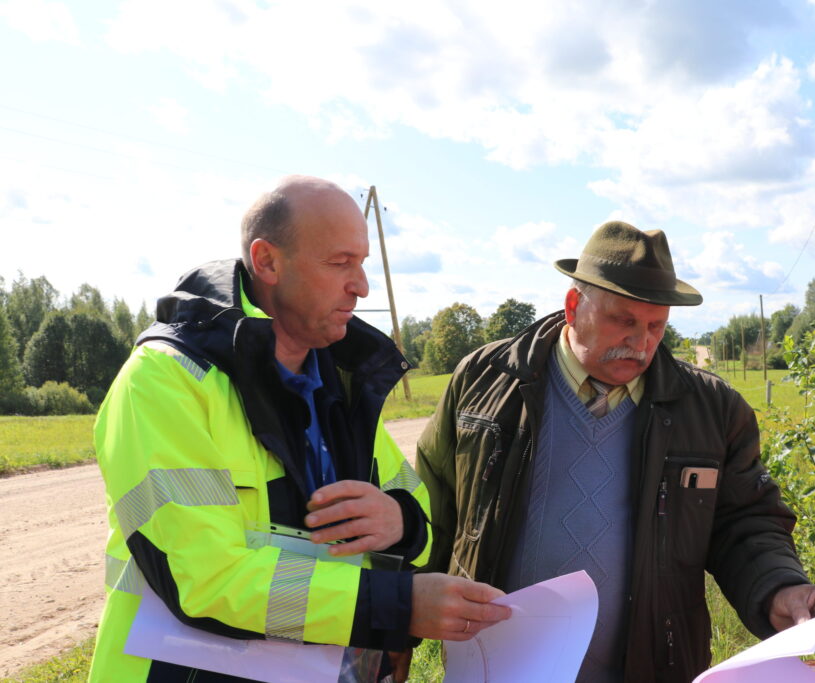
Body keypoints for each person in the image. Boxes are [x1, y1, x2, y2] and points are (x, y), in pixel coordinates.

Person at [89, 176, 510, 683]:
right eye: (340, 263)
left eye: (362, 263)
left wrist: (399, 522)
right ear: (267, 261)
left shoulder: (339, 385)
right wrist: (397, 607)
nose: (361, 285)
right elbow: (205, 579)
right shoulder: (164, 381)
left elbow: (414, 514)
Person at [415, 220, 815, 682]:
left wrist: (780, 587)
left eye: (656, 326)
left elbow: (745, 522)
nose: (641, 344)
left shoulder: (712, 410)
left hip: (650, 669)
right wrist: (399, 619)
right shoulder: (485, 379)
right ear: (574, 305)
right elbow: (427, 504)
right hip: (495, 665)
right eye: (624, 321)